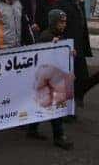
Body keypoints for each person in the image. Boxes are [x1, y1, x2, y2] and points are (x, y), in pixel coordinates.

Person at [28, 9, 74, 150]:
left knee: (44, 105)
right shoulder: (47, 37)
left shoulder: (57, 36)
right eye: (61, 22)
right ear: (53, 22)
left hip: (51, 78)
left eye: (65, 22)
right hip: (46, 79)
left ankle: (32, 129)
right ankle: (59, 136)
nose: (63, 25)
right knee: (55, 107)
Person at [55, 0, 92, 109]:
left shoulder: (77, 2)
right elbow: (58, 28)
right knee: (67, 80)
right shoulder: (61, 3)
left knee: (82, 77)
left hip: (79, 46)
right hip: (68, 48)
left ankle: (75, 101)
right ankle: (65, 109)